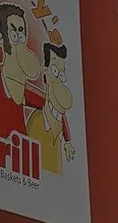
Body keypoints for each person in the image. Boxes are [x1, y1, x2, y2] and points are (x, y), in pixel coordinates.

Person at [26, 42, 77, 175]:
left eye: (61, 75)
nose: (58, 79)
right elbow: (23, 94)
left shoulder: (59, 117)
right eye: (55, 71)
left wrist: (68, 141)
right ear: (45, 70)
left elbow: (61, 114)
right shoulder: (37, 119)